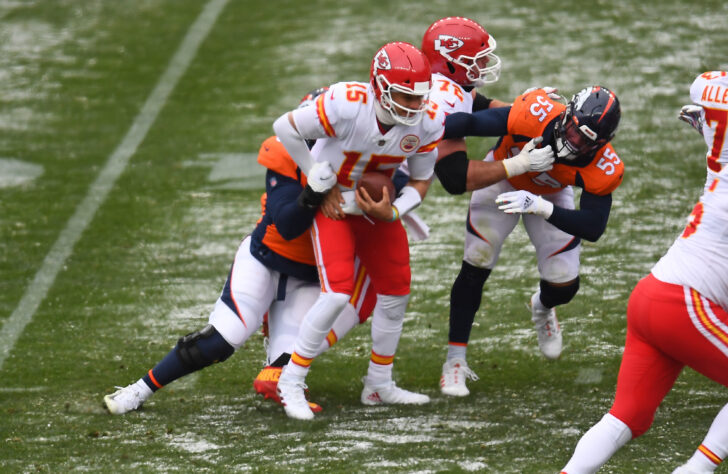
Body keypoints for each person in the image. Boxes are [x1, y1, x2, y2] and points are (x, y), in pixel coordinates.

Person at [254, 18, 556, 408]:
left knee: (395, 291)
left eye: (421, 96)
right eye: (406, 97)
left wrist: (393, 211)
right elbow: (285, 126)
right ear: (379, 89)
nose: (416, 106)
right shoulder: (346, 103)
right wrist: (315, 179)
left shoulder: (428, 117)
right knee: (337, 294)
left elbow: (421, 182)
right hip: (334, 204)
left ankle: (378, 383)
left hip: (374, 209)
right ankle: (291, 379)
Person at [103, 88, 361, 415]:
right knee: (221, 340)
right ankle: (139, 389)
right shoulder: (284, 153)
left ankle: (287, 362)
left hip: (313, 278)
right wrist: (313, 192)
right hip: (266, 261)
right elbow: (287, 225)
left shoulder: (364, 159)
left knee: (300, 350)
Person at [561, 70, 728, 474]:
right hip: (683, 301)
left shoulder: (719, 163)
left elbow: (708, 93)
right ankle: (697, 470)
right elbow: (709, 90)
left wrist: (705, 124)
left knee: (626, 417)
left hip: (653, 296)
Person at [438, 85, 623, 396]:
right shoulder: (533, 113)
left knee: (564, 284)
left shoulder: (604, 166)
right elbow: (469, 124)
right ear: (566, 115)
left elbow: (593, 226)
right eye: (573, 131)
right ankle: (454, 362)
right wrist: (422, 124)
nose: (573, 141)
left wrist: (542, 206)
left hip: (549, 195)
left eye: (584, 141)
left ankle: (542, 306)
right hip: (503, 178)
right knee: (476, 261)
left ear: (601, 144)